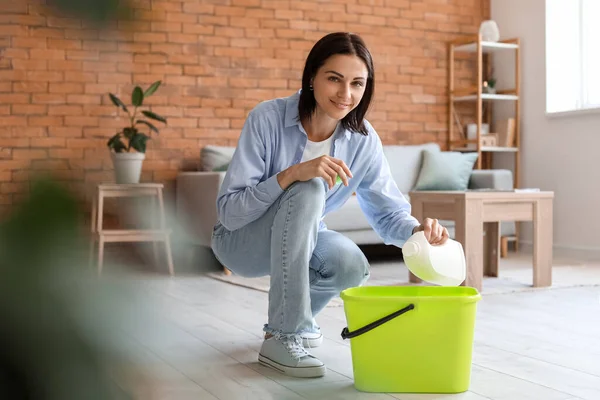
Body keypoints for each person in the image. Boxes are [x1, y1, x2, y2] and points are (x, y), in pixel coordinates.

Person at [211, 32, 449, 378]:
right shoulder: (267, 118)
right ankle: (284, 335)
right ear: (312, 77)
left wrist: (418, 231)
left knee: (350, 264)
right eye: (334, 79)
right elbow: (230, 213)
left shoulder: (363, 140)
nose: (346, 94)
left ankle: (288, 323)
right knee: (308, 186)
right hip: (240, 241)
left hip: (301, 238)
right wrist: (291, 175)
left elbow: (387, 211)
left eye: (357, 83)